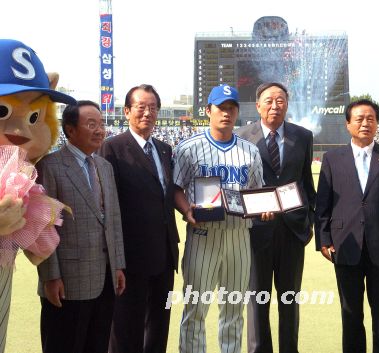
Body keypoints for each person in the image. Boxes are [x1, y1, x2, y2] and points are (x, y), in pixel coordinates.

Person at [173, 84, 268, 353]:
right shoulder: (188, 147)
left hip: (240, 235)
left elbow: (257, 191)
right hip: (203, 234)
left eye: (231, 108)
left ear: (237, 112)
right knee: (195, 308)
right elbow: (175, 187)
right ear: (208, 111)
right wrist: (185, 210)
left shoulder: (250, 151)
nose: (226, 113)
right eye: (221, 107)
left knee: (234, 309)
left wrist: (265, 206)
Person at [314, 99, 379, 353]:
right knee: (351, 313)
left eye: (370, 118)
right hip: (345, 245)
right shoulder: (332, 159)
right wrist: (323, 239)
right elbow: (323, 202)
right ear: (348, 124)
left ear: (377, 123)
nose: (365, 123)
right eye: (359, 118)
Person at [37, 100, 126, 353]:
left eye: (101, 124)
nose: (100, 130)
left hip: (105, 278)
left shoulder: (104, 167)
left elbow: (114, 220)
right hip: (68, 281)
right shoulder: (50, 166)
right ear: (70, 130)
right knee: (64, 344)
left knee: (97, 344)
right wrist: (51, 276)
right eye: (91, 124)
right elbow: (44, 226)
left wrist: (118, 264)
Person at [236, 82, 316, 353]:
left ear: (287, 104)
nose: (275, 105)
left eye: (280, 100)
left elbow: (306, 182)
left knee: (289, 299)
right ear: (258, 105)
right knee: (257, 300)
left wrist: (309, 223)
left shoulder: (303, 137)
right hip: (255, 230)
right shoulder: (242, 136)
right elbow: (238, 185)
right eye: (269, 100)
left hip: (293, 231)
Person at [99, 84, 180, 353]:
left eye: (153, 107)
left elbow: (167, 195)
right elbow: (107, 206)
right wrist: (115, 259)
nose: (147, 113)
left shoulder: (165, 149)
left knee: (159, 325)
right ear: (127, 111)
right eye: (141, 107)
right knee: (126, 329)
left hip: (165, 254)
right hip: (130, 258)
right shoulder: (112, 149)